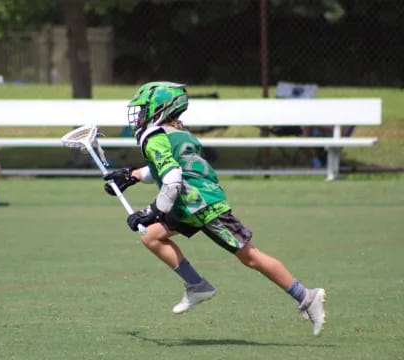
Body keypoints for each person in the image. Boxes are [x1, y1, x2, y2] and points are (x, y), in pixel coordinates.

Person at [103, 82, 326, 336]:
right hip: (190, 202)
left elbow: (173, 177)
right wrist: (130, 176)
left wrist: (151, 210)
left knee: (249, 256)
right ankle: (197, 286)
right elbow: (167, 168)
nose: (139, 116)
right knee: (152, 236)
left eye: (144, 110)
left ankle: (307, 296)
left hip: (201, 204)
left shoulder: (153, 138)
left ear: (161, 109)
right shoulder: (177, 133)